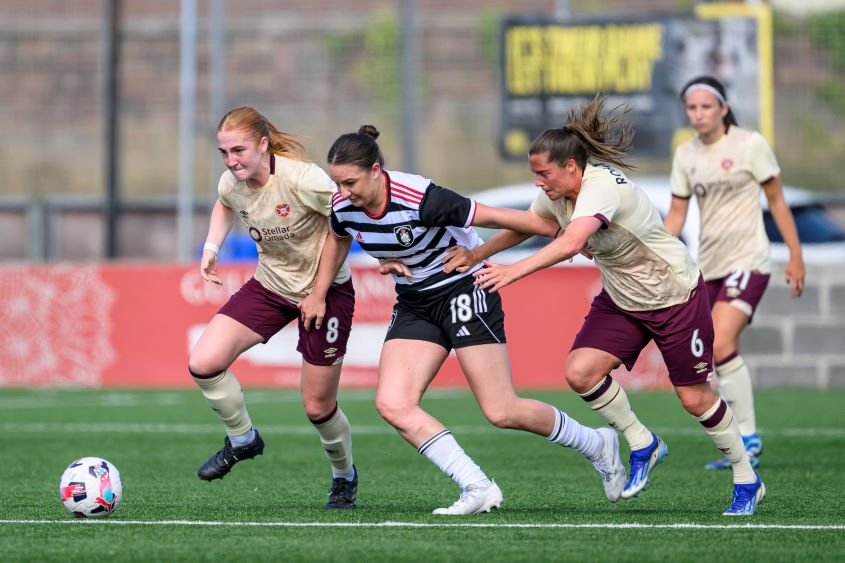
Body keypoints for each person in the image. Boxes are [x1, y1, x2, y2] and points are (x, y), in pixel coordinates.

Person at [452, 95, 765, 516]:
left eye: (544, 174)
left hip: (673, 295)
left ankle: (747, 478)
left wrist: (513, 271)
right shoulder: (557, 192)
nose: (539, 183)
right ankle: (643, 442)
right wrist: (476, 254)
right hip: (622, 299)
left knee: (694, 400)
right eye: (534, 175)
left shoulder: (601, 188)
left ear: (571, 167)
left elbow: (571, 242)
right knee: (580, 372)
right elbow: (533, 225)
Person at [325, 125, 627, 515]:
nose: (343, 193)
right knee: (393, 403)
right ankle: (477, 486)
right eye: (338, 183)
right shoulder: (343, 205)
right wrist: (380, 262)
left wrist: (572, 238)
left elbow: (518, 220)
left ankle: (596, 443)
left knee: (502, 410)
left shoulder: (424, 198)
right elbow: (344, 235)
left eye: (350, 182)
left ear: (377, 171)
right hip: (416, 300)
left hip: (464, 290)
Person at [188, 106, 358, 509]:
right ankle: (243, 438)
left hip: (328, 292)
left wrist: (318, 293)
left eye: (239, 151)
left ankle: (344, 476)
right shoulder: (233, 182)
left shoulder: (304, 178)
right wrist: (212, 249)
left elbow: (346, 222)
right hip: (271, 287)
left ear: (263, 144)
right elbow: (223, 202)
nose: (232, 161)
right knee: (204, 362)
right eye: (224, 152)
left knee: (318, 407)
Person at [664, 76, 805, 470]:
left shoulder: (749, 145)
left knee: (721, 343)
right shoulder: (686, 154)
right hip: (708, 264)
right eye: (692, 108)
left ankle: (748, 437)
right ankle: (741, 441)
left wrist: (795, 254)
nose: (698, 114)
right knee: (712, 350)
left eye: (706, 107)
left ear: (723, 108)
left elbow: (776, 201)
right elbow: (677, 213)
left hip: (749, 259)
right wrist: (654, 251)